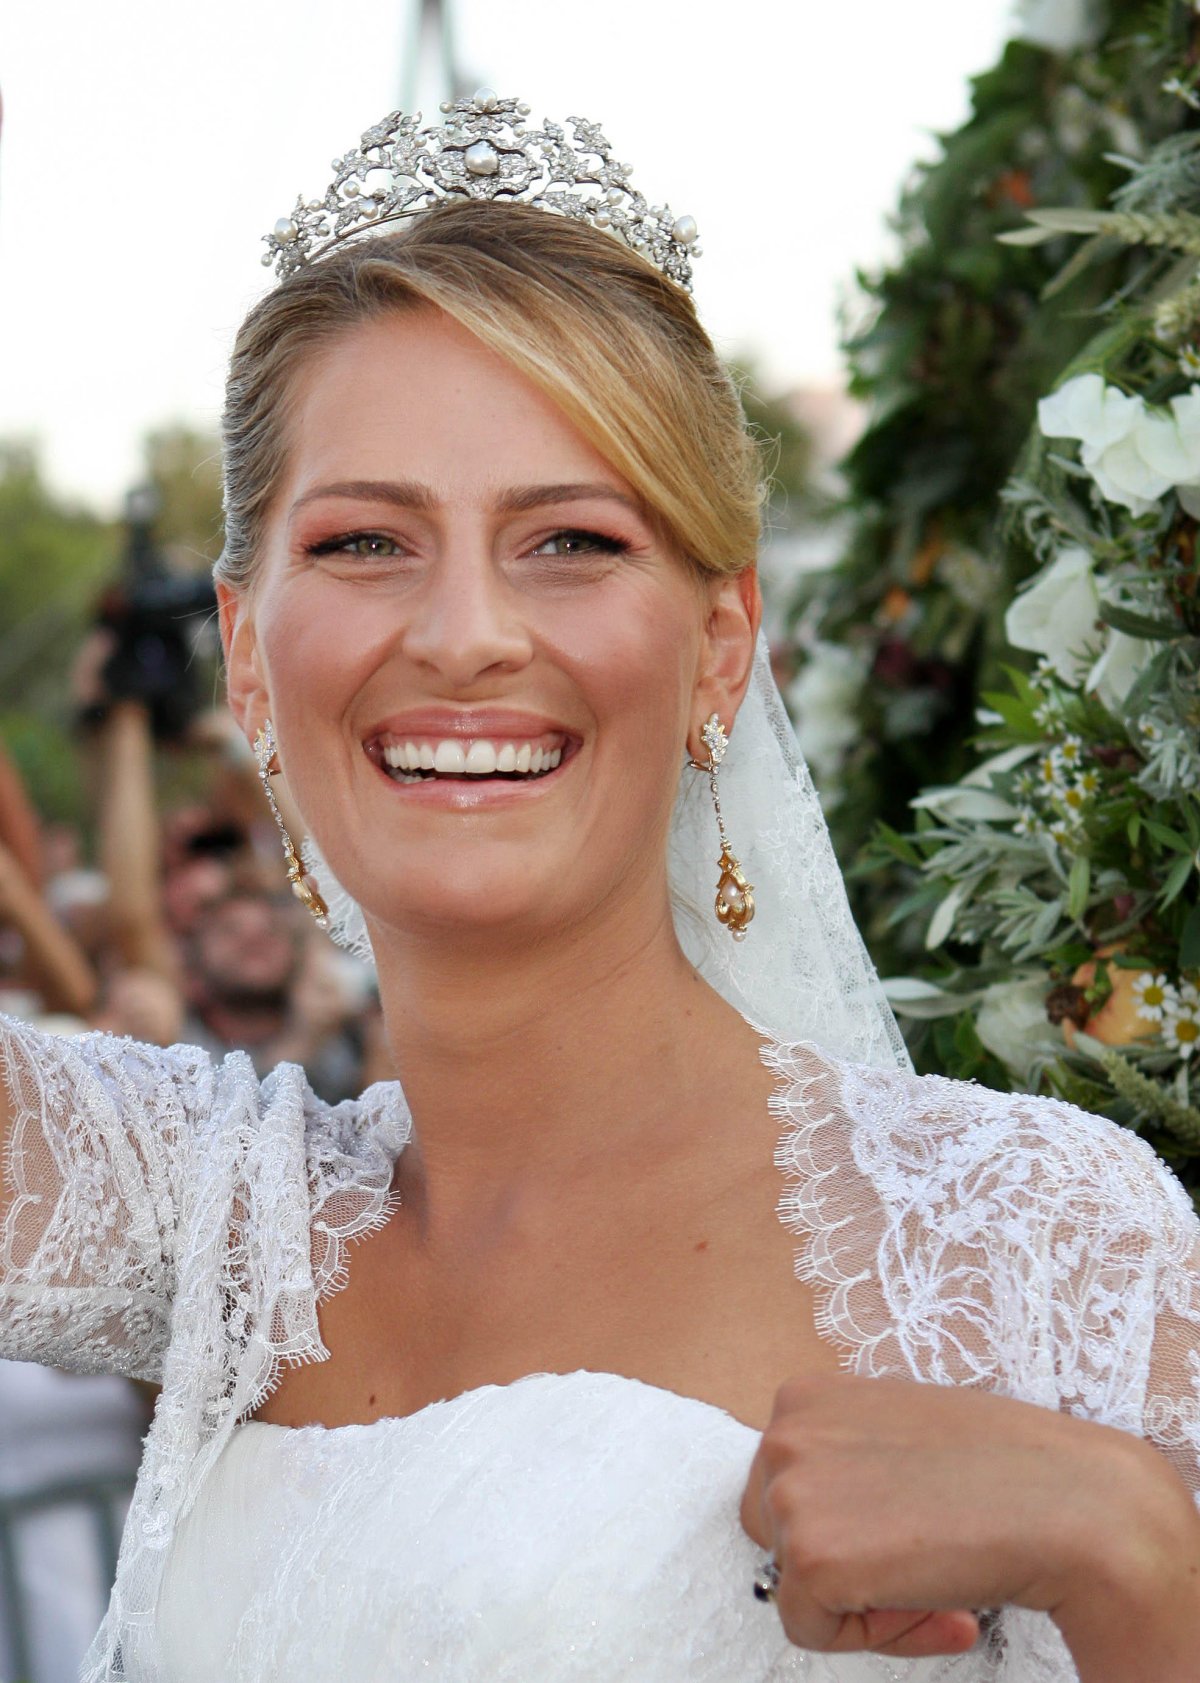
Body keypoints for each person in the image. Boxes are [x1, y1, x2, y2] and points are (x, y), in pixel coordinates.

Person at [1, 91, 1199, 1683]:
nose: (464, 633)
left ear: (719, 647)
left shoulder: (1040, 1236)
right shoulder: (208, 1216)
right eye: (366, 542)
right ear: (243, 651)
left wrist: (1135, 1559)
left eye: (569, 539)